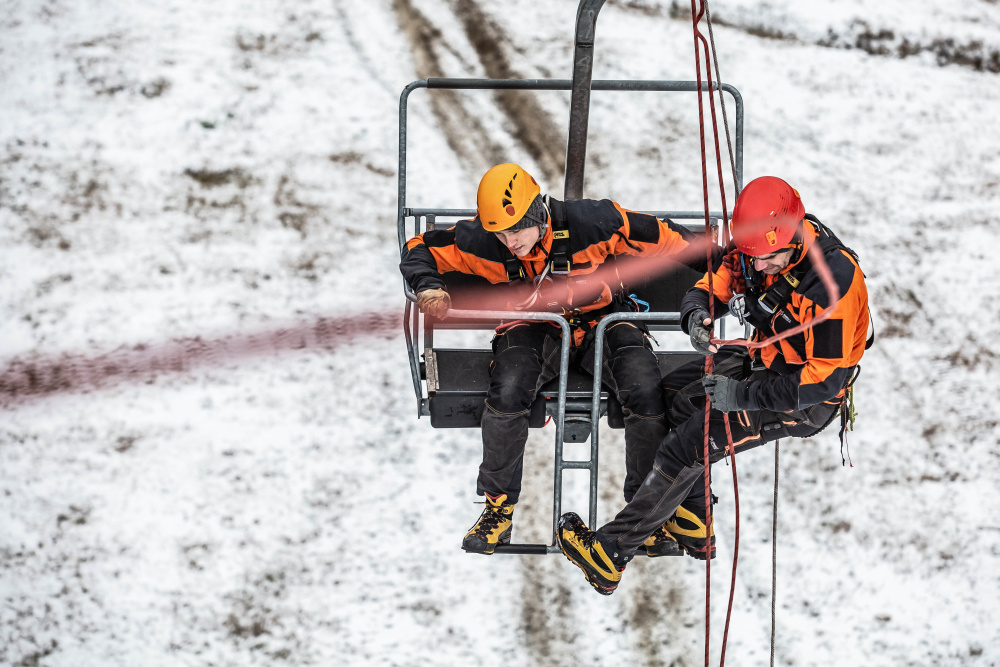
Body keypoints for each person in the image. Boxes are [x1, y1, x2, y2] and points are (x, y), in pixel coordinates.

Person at [556, 175, 871, 594]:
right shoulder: (758, 249)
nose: (758, 268)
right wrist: (695, 313)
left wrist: (743, 396)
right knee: (674, 395)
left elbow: (822, 380)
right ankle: (693, 517)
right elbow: (720, 280)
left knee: (688, 445)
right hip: (762, 361)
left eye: (768, 260)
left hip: (799, 398)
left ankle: (611, 553)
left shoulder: (832, 286)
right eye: (753, 258)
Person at [399, 163, 721, 554]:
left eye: (516, 228)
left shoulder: (595, 224)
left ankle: (647, 513)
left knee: (645, 389)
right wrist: (429, 285)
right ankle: (498, 508)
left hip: (603, 322)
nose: (509, 241)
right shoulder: (482, 243)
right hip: (534, 326)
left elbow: (666, 238)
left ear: (537, 212)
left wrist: (727, 269)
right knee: (508, 389)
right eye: (500, 232)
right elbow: (420, 248)